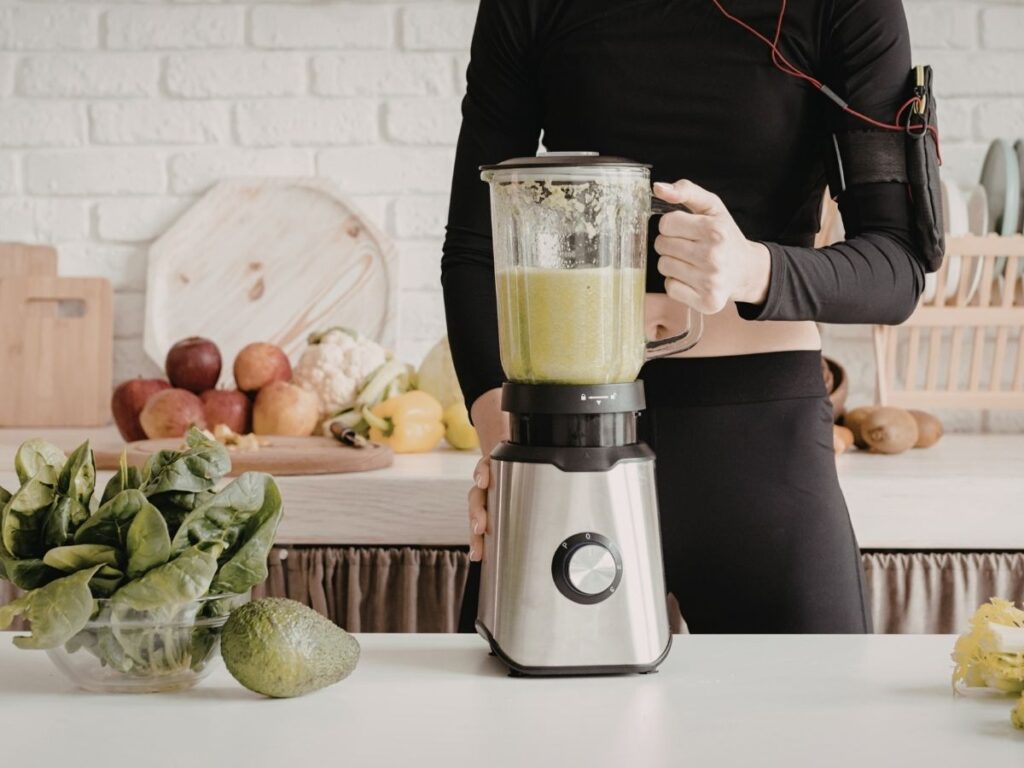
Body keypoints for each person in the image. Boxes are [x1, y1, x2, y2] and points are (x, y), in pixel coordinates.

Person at [441, 0, 926, 633]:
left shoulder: (846, 7)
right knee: (527, 727)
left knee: (809, 726)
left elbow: (897, 264)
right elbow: (476, 248)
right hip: (563, 431)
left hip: (759, 443)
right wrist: (499, 444)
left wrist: (755, 269)